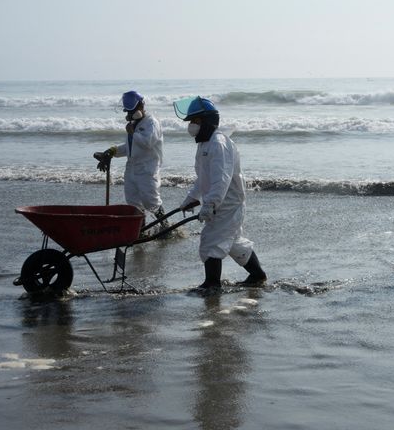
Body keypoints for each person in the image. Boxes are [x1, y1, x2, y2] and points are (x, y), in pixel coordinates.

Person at [172, 96, 267, 292]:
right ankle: (257, 275)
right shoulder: (204, 144)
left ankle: (212, 285)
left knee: (211, 240)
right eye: (191, 122)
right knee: (232, 242)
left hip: (229, 202)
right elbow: (203, 178)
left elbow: (221, 179)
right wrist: (191, 199)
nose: (191, 126)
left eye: (195, 121)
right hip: (220, 201)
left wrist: (210, 205)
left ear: (207, 121)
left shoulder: (218, 144)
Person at [94, 90, 168, 226]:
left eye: (131, 111)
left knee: (151, 202)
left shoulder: (151, 123)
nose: (128, 115)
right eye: (127, 112)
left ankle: (166, 227)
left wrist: (133, 133)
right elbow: (131, 146)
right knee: (133, 203)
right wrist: (113, 151)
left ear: (141, 107)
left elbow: (148, 142)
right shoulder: (135, 124)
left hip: (147, 170)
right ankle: (141, 230)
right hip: (131, 170)